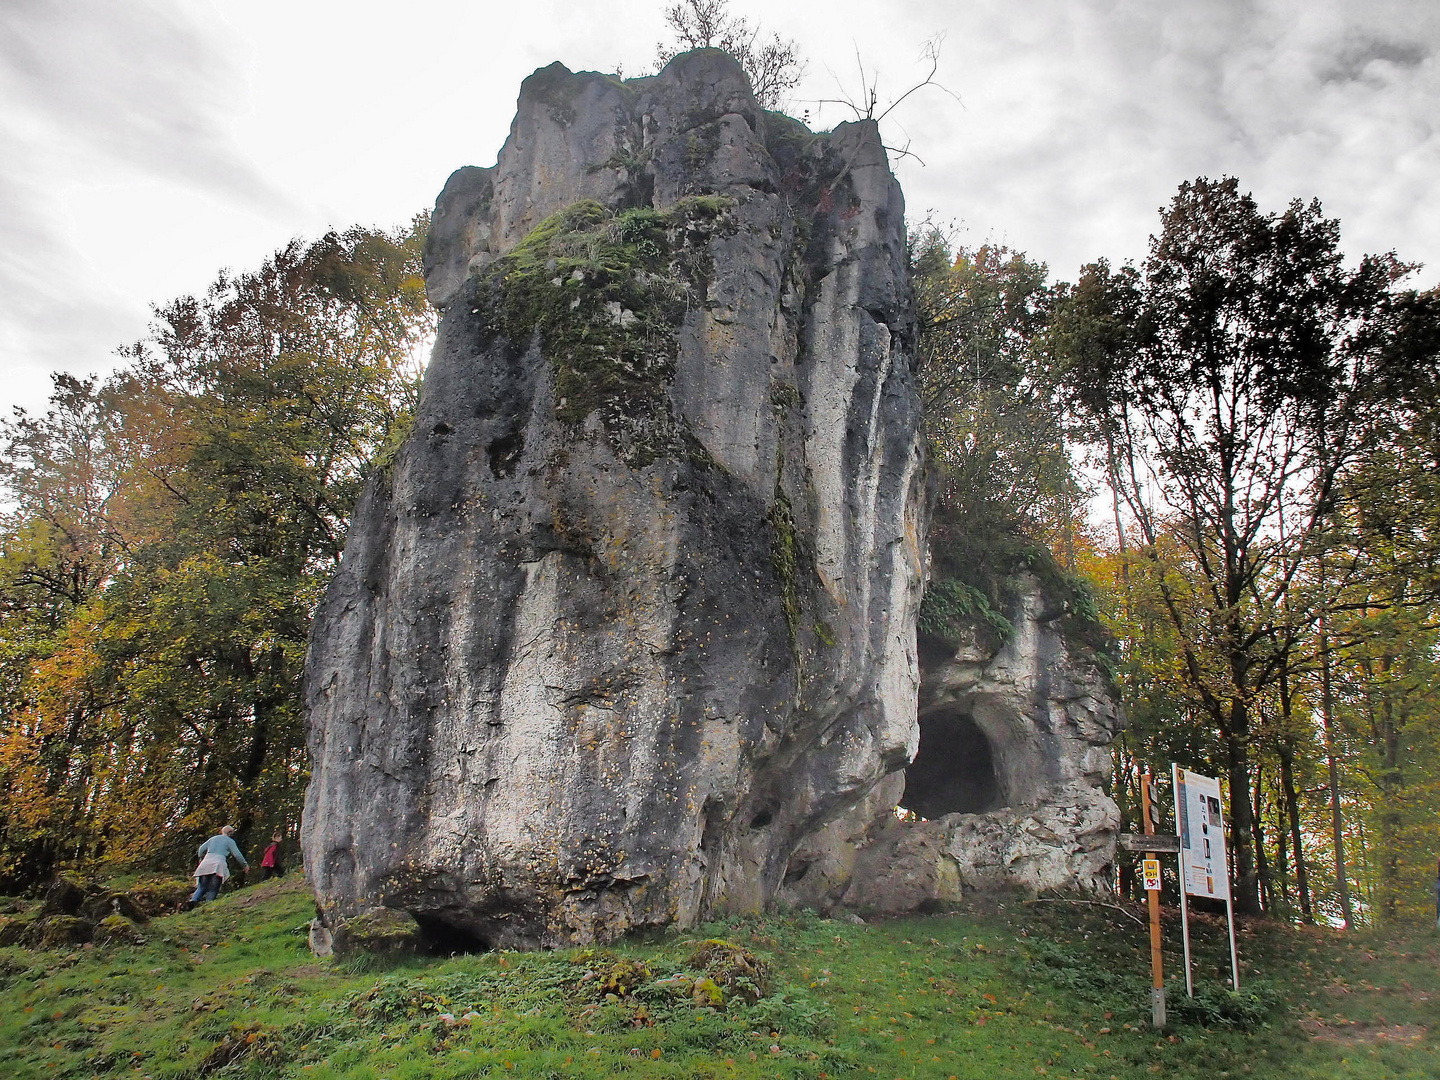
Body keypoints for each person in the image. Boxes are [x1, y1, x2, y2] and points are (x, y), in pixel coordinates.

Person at [189, 825, 248, 907]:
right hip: (218, 864)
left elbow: (201, 849)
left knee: (202, 887)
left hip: (206, 862)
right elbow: (237, 855)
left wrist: (201, 858)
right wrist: (245, 865)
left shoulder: (213, 839)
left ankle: (193, 901)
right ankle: (208, 905)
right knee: (213, 888)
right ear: (231, 833)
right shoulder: (230, 841)